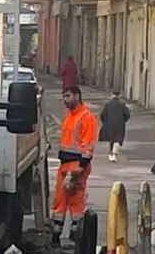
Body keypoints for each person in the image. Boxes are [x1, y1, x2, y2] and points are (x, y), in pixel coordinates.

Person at [53, 84, 98, 241]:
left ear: (77, 96)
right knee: (60, 200)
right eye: (63, 97)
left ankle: (75, 235)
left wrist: (81, 166)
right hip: (65, 164)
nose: (65, 100)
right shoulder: (70, 116)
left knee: (76, 199)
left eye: (68, 96)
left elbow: (88, 144)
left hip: (76, 165)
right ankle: (56, 234)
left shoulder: (86, 117)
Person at [100, 90, 130, 163]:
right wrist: (123, 120)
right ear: (119, 95)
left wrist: (105, 122)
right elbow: (127, 115)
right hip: (119, 125)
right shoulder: (122, 104)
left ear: (112, 95)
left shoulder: (108, 104)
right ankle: (114, 154)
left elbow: (102, 114)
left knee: (112, 140)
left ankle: (112, 154)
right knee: (118, 139)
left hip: (110, 125)